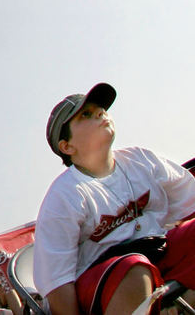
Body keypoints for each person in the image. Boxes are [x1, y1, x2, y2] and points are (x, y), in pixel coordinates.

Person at [33, 83, 195, 315]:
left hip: (157, 252)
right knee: (134, 269)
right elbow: (57, 283)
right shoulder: (64, 195)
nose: (100, 113)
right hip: (104, 279)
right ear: (67, 146)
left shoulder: (141, 159)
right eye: (86, 115)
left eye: (100, 109)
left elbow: (190, 202)